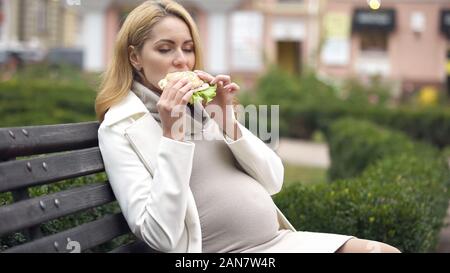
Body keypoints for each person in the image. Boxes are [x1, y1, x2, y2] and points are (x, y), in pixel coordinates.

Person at [95, 0, 400, 253]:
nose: (182, 61)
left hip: (277, 241)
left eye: (187, 48)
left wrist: (228, 122)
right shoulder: (120, 127)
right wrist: (173, 136)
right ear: (135, 57)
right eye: (165, 49)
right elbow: (159, 235)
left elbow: (273, 180)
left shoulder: (202, 108)